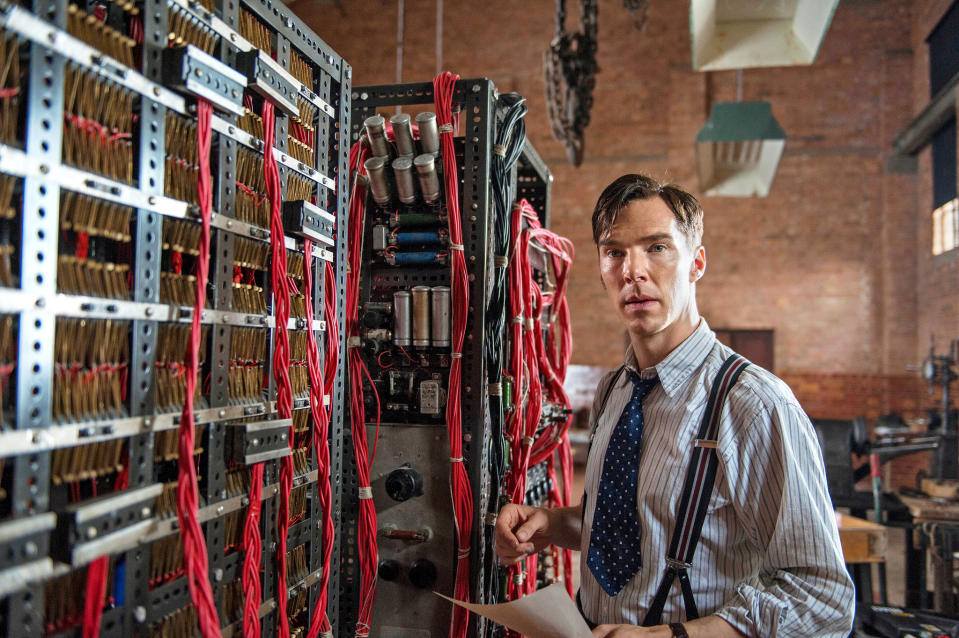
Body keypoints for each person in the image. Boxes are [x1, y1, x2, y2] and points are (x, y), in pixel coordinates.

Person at [494, 174, 855, 638]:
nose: (633, 271)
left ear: (696, 263)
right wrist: (548, 524)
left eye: (657, 248)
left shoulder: (753, 405)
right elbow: (624, 527)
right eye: (615, 252)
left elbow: (823, 598)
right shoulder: (615, 391)